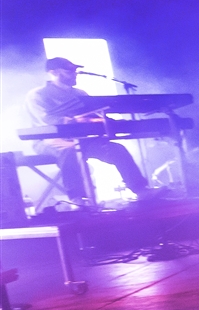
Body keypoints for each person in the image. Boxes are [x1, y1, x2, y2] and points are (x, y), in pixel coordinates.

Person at [26, 57, 156, 204]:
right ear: (53, 72)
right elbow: (48, 120)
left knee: (116, 150)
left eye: (75, 70)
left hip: (83, 138)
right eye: (69, 70)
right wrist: (77, 120)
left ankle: (141, 190)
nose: (75, 73)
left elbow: (94, 115)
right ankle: (77, 198)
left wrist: (111, 122)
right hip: (51, 140)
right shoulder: (38, 94)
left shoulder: (80, 93)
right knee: (70, 151)